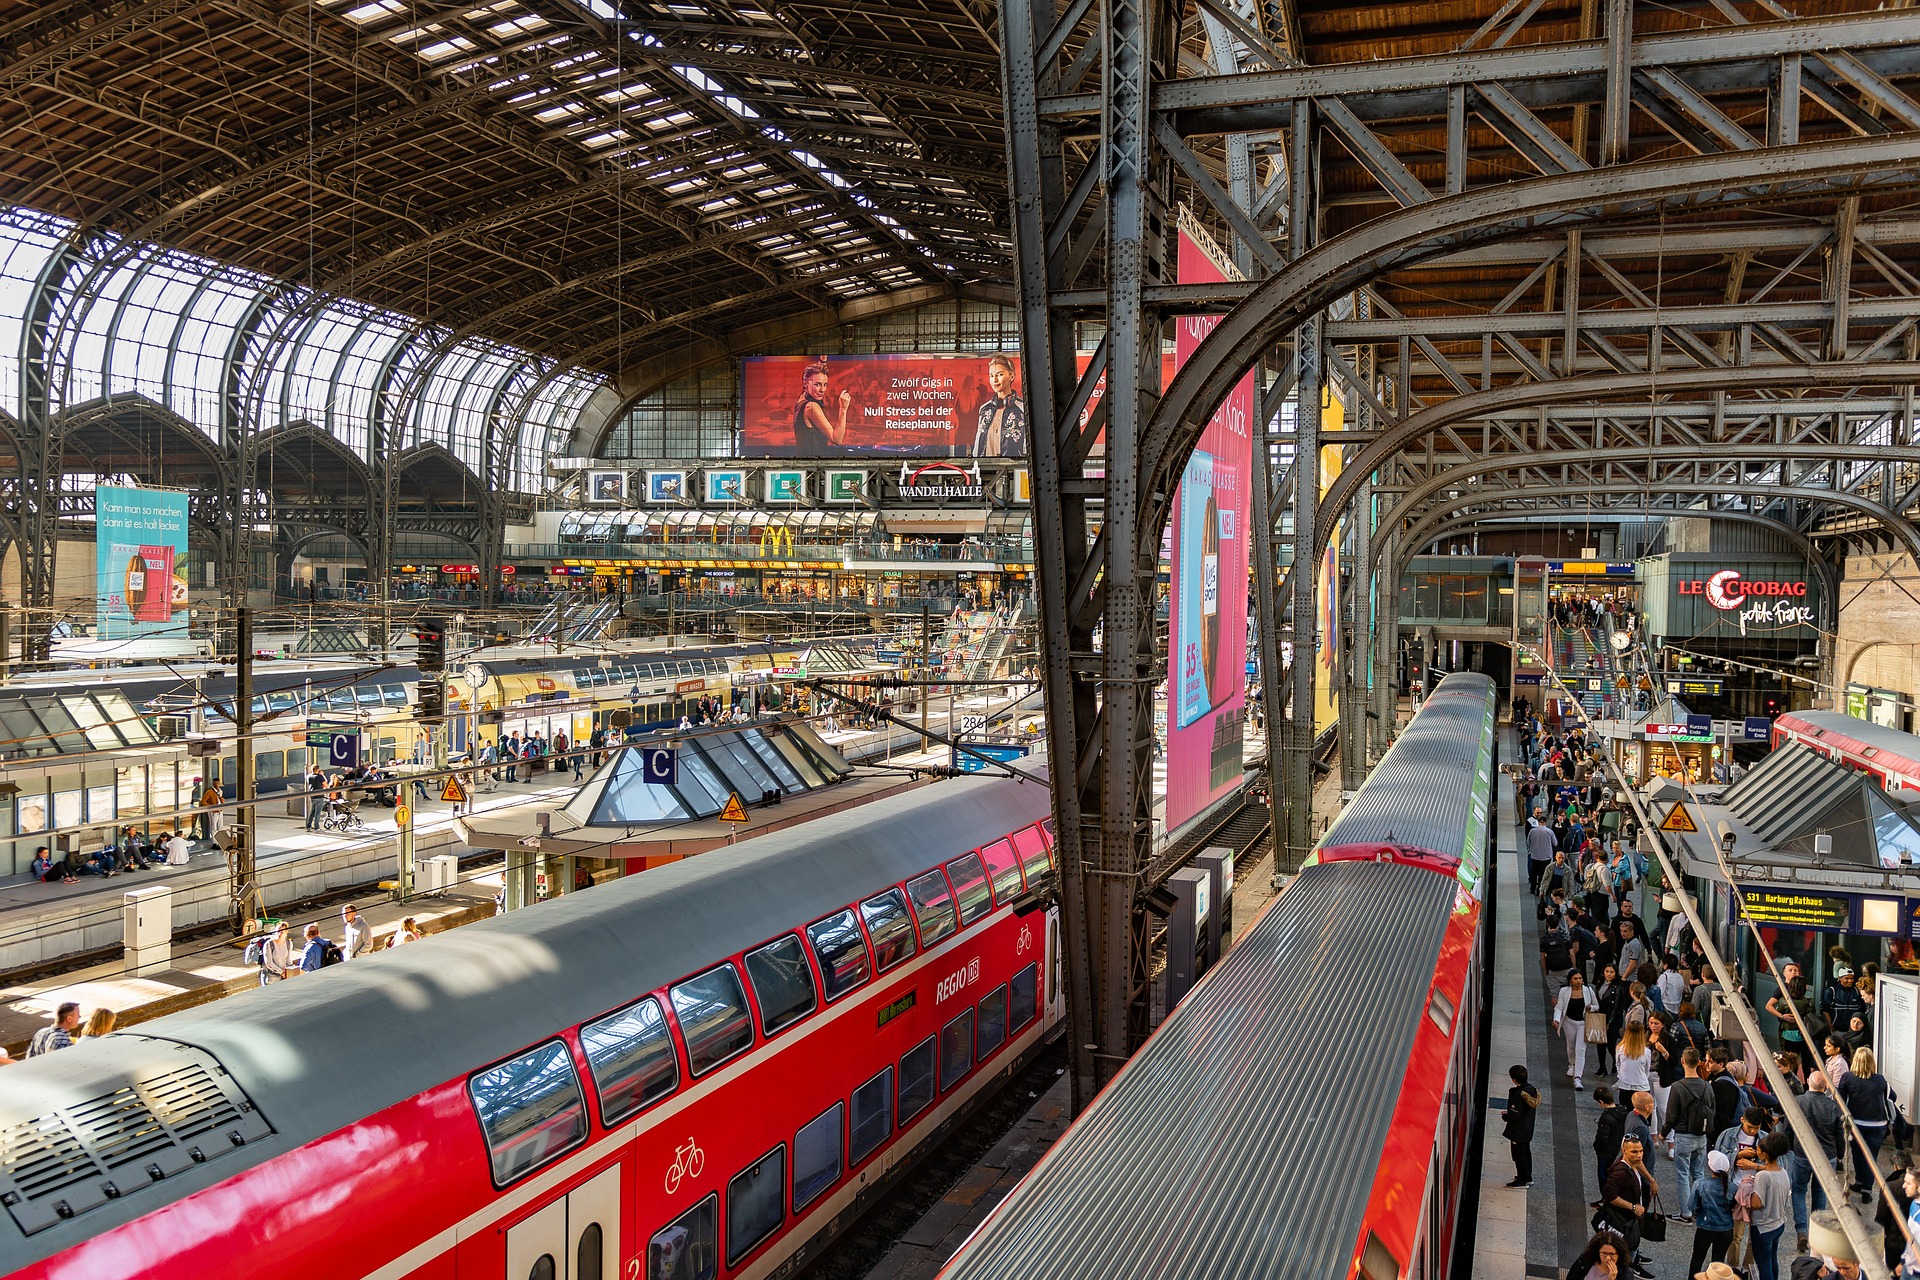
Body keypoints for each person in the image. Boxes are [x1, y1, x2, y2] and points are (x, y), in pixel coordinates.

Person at [1835, 1046, 1897, 1195]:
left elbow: (1840, 1100)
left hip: (1857, 1123)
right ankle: (1867, 1189)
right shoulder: (1880, 1079)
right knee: (1872, 1156)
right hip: (1879, 1124)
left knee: (1857, 1153)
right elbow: (1892, 1097)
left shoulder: (1847, 1078)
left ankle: (1859, 1182)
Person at [1667, 1048, 1717, 1219]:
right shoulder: (1706, 1086)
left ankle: (1686, 1212)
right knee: (1699, 1173)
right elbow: (1713, 1110)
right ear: (1699, 1062)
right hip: (1702, 1136)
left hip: (1683, 1135)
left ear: (1682, 1061)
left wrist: (1663, 1132)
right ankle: (1699, 1209)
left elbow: (1671, 1115)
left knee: (1682, 1175)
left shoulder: (1677, 1087)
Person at [1602, 1132, 1658, 1279]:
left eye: (1641, 1151)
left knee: (1631, 1248)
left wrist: (1651, 1180)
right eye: (1634, 1151)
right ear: (1624, 1151)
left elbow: (1638, 1163)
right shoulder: (1620, 1173)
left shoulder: (1631, 1163)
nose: (1639, 1155)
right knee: (1623, 1255)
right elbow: (1609, 1195)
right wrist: (1632, 1207)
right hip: (1622, 1222)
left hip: (1631, 1221)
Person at [1748, 1130, 1793, 1280]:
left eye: (1759, 1150)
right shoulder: (1784, 1172)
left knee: (1763, 1265)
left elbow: (1756, 1203)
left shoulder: (1763, 1177)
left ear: (1765, 1155)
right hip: (1779, 1224)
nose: (1757, 1151)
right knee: (1772, 1260)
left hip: (1763, 1227)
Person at [1800, 1073, 1846, 1214]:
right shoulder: (1833, 1107)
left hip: (1801, 1153)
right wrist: (1840, 1154)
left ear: (1808, 1082)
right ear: (1826, 1087)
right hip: (1827, 1154)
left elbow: (1788, 1129)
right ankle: (1817, 1223)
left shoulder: (1797, 1102)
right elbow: (1840, 1135)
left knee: (1799, 1190)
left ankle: (1801, 1228)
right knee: (1821, 1191)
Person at [1688, 1151, 1737, 1273]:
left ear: (1710, 1167)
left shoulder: (1700, 1184)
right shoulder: (1733, 1187)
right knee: (1718, 1262)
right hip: (1726, 1229)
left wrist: (1697, 1213)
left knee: (1697, 1259)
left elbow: (1691, 1206)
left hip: (1705, 1227)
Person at [791, 360, 851, 451]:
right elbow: (837, 440)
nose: (822, 390)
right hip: (814, 463)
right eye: (817, 384)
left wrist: (823, 362)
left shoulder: (802, 399)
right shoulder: (811, 407)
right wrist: (843, 409)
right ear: (805, 383)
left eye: (825, 385)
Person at [1555, 970, 1594, 1089]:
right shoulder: (1564, 991)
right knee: (1571, 1046)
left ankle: (1578, 1078)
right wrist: (1556, 1019)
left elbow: (1596, 1005)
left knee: (1580, 1050)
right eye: (1575, 978)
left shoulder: (1588, 991)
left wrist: (1590, 1007)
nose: (1578, 981)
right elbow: (1559, 1007)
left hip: (1583, 1023)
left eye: (1580, 978)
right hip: (1569, 1022)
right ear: (1571, 980)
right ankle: (1572, 1063)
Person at [1504, 1064, 1540, 1187]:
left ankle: (1522, 1179)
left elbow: (1514, 1115)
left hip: (1518, 1131)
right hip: (1527, 1129)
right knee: (1526, 1153)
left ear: (1514, 1079)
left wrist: (1505, 1116)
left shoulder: (1518, 1094)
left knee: (1519, 1156)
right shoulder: (1532, 1089)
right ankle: (1528, 1176)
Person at [1594, 1085, 1629, 1189]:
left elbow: (1602, 1138)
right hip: (1615, 1147)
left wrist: (1596, 1146)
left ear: (1601, 1101)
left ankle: (1606, 1197)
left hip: (1605, 1151)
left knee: (1603, 1174)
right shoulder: (1622, 1111)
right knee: (1609, 1171)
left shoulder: (1606, 1117)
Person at [1616, 1021, 1654, 1098]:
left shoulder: (1620, 1048)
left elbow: (1618, 1065)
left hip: (1624, 1085)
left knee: (1626, 1108)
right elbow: (1647, 1070)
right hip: (1641, 1086)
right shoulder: (1646, 1051)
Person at [258, 921, 291, 985]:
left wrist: (292, 968)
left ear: (286, 932)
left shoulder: (289, 943)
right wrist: (281, 972)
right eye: (278, 931)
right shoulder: (269, 944)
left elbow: (287, 959)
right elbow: (269, 963)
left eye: (282, 932)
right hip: (270, 976)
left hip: (283, 975)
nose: (279, 933)